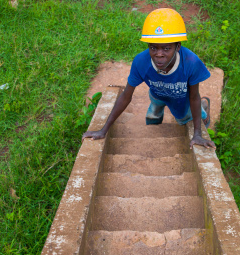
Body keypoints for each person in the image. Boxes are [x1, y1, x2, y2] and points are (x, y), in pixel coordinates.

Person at [82, 8, 216, 149]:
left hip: (181, 97)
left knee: (184, 118)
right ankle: (156, 122)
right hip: (156, 93)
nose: (159, 54)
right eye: (153, 48)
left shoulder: (190, 62)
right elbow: (126, 96)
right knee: (153, 116)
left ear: (178, 47)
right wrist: (103, 130)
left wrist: (197, 134)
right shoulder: (141, 62)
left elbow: (193, 96)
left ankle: (204, 110)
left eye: (166, 49)